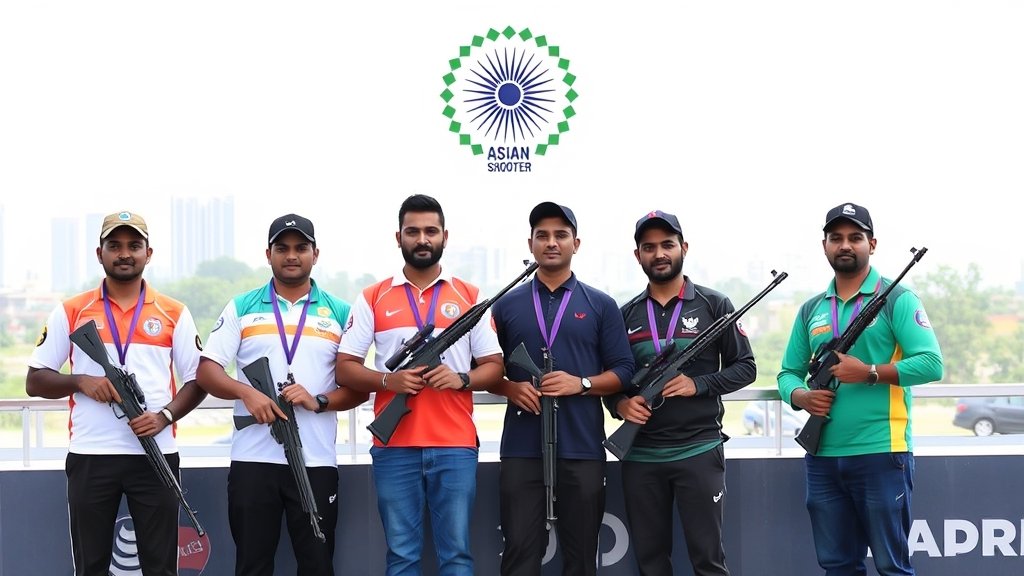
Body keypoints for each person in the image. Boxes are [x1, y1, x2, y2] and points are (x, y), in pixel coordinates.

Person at [26, 210, 207, 576]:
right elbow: (35, 380)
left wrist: (164, 417)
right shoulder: (72, 310)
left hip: (156, 454)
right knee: (90, 566)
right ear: (100, 253)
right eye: (115, 245)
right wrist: (80, 382)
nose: (124, 253)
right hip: (92, 455)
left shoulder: (174, 312)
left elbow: (198, 380)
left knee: (161, 567)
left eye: (134, 245)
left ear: (148, 253)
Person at [336, 194, 504, 576]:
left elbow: (494, 368)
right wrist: (389, 379)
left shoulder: (470, 297)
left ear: (445, 236)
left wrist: (461, 379)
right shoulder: (373, 296)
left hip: (455, 445)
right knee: (401, 557)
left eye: (431, 231)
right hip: (394, 447)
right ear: (399, 237)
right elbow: (345, 368)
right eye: (413, 231)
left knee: (457, 556)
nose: (422, 239)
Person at [777, 202, 943, 576]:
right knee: (837, 566)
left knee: (892, 567)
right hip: (822, 459)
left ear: (873, 243)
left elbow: (932, 364)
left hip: (882, 453)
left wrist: (869, 371)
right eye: (836, 238)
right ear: (825, 246)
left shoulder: (897, 299)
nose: (845, 245)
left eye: (855, 237)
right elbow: (787, 373)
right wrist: (802, 396)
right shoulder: (811, 310)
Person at [196, 213, 364, 576]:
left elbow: (358, 388)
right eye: (282, 248)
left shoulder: (340, 312)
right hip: (254, 462)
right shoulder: (241, 306)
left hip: (316, 462)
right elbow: (207, 371)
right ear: (268, 254)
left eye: (300, 248)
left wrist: (319, 401)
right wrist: (247, 394)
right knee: (253, 566)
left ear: (315, 254)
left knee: (318, 566)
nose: (291, 255)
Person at [605, 210, 756, 576]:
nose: (659, 253)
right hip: (640, 456)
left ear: (683, 248)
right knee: (651, 563)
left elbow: (746, 367)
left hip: (699, 450)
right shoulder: (623, 315)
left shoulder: (714, 305)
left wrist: (698, 384)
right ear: (638, 254)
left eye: (667, 245)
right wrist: (619, 404)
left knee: (708, 562)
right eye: (649, 247)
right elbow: (613, 380)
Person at [491, 201, 635, 576]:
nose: (551, 242)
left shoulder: (601, 305)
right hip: (522, 448)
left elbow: (623, 370)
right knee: (520, 554)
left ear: (576, 243)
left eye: (560, 235)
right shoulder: (506, 305)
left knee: (582, 556)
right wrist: (509, 388)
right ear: (530, 243)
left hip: (582, 446)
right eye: (543, 235)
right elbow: (487, 368)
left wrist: (582, 383)